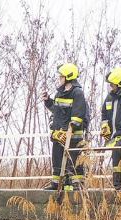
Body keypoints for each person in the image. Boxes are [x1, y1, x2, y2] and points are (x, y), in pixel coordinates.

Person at [43, 63, 89, 191]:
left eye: (61, 76)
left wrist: (68, 129)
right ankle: (56, 184)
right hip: (59, 134)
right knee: (57, 158)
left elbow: (78, 115)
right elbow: (57, 111)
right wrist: (48, 101)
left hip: (73, 136)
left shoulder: (77, 93)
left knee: (74, 160)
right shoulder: (59, 93)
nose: (60, 78)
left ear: (68, 77)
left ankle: (77, 184)